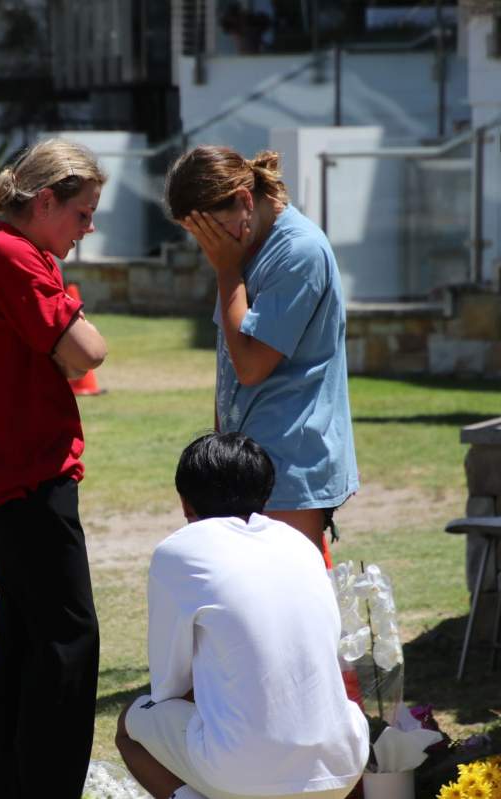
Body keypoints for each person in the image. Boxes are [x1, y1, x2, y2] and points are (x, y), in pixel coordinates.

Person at [0, 138, 108, 799]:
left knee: (23, 638)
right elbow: (88, 351)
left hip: (6, 476)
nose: (87, 228)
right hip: (29, 477)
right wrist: (68, 302)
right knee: (69, 641)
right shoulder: (14, 257)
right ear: (46, 201)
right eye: (82, 213)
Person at [116, 432, 369, 799]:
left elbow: (168, 686)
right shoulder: (300, 543)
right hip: (343, 767)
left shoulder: (178, 551)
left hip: (242, 774)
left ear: (185, 503)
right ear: (265, 496)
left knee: (129, 725)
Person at [166, 146, 359, 564]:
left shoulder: (297, 252)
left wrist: (226, 272)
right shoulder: (241, 247)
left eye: (214, 229)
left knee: (290, 599)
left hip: (291, 463)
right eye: (198, 235)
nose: (209, 245)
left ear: (245, 199)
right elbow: (229, 358)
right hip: (245, 458)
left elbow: (251, 366)